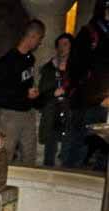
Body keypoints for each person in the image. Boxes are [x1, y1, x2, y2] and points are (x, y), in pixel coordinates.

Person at [0, 19, 45, 165]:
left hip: (27, 112)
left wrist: (33, 95)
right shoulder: (8, 61)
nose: (39, 43)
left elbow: (25, 82)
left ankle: (28, 180)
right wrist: (24, 94)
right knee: (5, 156)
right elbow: (1, 91)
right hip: (10, 115)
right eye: (39, 38)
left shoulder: (30, 59)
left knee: (29, 155)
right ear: (33, 36)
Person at [66, 0, 109, 169]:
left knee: (102, 154)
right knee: (80, 147)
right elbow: (76, 68)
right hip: (89, 101)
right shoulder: (89, 33)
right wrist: (95, 96)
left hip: (103, 101)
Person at [38, 33, 74, 166]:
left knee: (67, 154)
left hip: (70, 115)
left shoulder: (76, 68)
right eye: (59, 45)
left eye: (65, 44)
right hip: (52, 115)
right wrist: (53, 92)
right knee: (49, 154)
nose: (62, 48)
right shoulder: (49, 69)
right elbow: (41, 93)